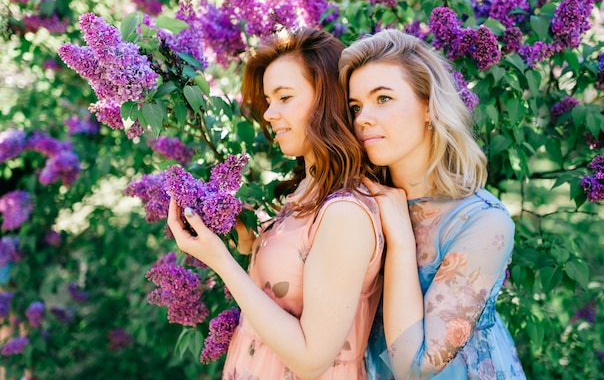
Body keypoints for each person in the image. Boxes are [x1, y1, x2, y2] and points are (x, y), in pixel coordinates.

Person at [167, 27, 384, 380]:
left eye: (284, 98)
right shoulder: (307, 191)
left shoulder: (346, 213)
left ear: (327, 99)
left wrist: (219, 261)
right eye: (269, 101)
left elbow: (313, 359)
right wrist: (251, 243)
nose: (268, 114)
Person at [338, 29, 527, 380]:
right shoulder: (356, 205)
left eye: (383, 99)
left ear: (428, 107)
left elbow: (415, 366)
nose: (362, 118)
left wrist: (401, 240)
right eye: (355, 106)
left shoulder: (483, 222)